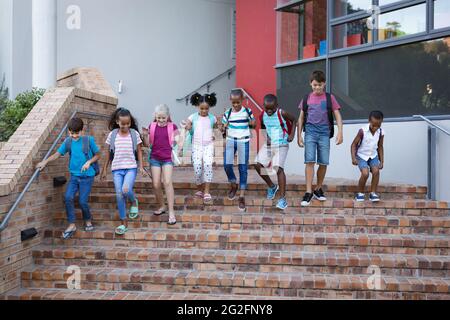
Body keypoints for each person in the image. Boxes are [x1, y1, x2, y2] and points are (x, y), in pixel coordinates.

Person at [36, 117, 100, 239]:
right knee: (68, 197)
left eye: (77, 133)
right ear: (68, 131)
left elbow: (98, 155)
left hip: (87, 177)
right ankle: (72, 224)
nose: (74, 135)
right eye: (71, 133)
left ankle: (87, 220)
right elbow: (57, 154)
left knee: (82, 201)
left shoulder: (88, 140)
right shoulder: (68, 142)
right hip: (74, 176)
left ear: (82, 131)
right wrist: (45, 162)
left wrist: (89, 162)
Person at [297, 70, 344, 207]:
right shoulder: (306, 98)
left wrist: (340, 132)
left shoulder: (330, 98)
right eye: (315, 85)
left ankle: (318, 188)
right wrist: (299, 135)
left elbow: (338, 116)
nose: (317, 88)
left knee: (323, 162)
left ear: (324, 84)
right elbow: (300, 118)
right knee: (309, 161)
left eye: (320, 85)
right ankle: (308, 192)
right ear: (310, 84)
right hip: (310, 131)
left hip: (324, 132)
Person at [100, 108, 146, 235]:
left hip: (131, 167)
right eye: (123, 124)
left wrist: (141, 166)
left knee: (126, 189)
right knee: (119, 194)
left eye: (128, 123)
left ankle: (133, 201)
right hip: (116, 169)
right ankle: (123, 222)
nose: (125, 126)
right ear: (117, 122)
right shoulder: (113, 135)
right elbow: (108, 153)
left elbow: (140, 151)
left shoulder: (134, 134)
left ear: (130, 122)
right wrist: (104, 169)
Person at [255, 94, 296, 211]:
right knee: (257, 164)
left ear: (276, 106)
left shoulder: (281, 113)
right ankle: (272, 186)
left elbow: (294, 120)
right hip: (270, 144)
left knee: (278, 168)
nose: (269, 111)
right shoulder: (263, 115)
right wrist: (266, 137)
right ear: (263, 106)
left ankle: (282, 199)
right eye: (266, 108)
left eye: (272, 109)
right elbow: (263, 128)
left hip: (282, 144)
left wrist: (292, 134)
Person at [221, 89, 256, 212]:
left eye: (238, 102)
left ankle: (241, 196)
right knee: (227, 165)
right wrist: (222, 127)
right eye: (233, 102)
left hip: (243, 141)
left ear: (242, 100)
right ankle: (233, 184)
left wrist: (252, 122)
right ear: (231, 101)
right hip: (231, 141)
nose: (236, 105)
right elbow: (223, 126)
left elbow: (254, 123)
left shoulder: (247, 111)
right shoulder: (228, 113)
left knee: (242, 168)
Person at [145, 104, 180, 225]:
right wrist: (145, 135)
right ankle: (162, 206)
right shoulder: (152, 126)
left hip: (167, 158)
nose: (161, 120)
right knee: (155, 184)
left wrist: (182, 133)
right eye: (159, 117)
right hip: (155, 158)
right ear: (155, 116)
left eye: (163, 118)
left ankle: (171, 212)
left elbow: (178, 141)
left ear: (168, 116)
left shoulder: (173, 126)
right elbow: (148, 143)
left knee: (167, 182)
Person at [180, 92, 218, 204]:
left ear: (209, 107)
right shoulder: (192, 117)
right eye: (202, 108)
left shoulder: (213, 118)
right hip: (196, 145)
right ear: (197, 106)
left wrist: (215, 134)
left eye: (206, 109)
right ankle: (199, 189)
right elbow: (188, 128)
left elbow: (216, 130)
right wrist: (187, 126)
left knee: (207, 166)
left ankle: (206, 191)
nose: (204, 111)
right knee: (197, 168)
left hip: (208, 145)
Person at [351, 110, 385, 202]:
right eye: (373, 125)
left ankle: (373, 193)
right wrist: (353, 158)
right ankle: (360, 193)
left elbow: (380, 147)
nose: (375, 127)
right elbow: (353, 144)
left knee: (376, 171)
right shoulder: (362, 131)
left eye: (378, 125)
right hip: (361, 156)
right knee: (365, 173)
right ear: (369, 121)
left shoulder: (381, 132)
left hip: (373, 156)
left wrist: (382, 161)